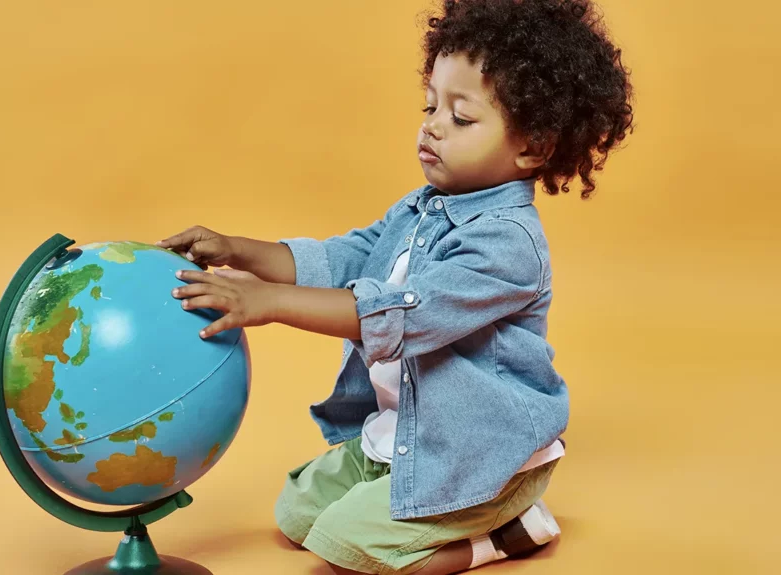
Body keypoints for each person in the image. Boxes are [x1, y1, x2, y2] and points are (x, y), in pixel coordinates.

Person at [157, 0, 634, 572]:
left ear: (532, 145)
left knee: (345, 550)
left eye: (461, 118)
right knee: (296, 517)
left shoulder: (507, 245)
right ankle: (399, 482)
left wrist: (268, 304)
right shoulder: (424, 207)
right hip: (409, 434)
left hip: (477, 456)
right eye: (431, 104)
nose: (432, 124)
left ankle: (505, 533)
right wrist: (240, 251)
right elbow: (347, 258)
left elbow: (403, 314)